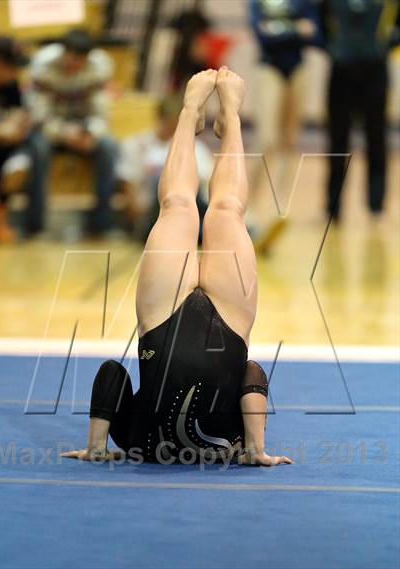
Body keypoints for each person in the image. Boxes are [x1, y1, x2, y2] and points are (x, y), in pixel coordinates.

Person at [61, 68, 294, 467]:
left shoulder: (148, 442)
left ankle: (198, 113)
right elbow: (112, 377)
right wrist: (255, 450)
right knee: (214, 210)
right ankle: (225, 115)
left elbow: (253, 376)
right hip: (198, 323)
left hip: (192, 322)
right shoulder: (142, 442)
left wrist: (254, 449)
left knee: (200, 209)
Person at [28, 29, 117, 235]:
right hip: (52, 131)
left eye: (80, 59)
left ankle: (100, 224)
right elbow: (39, 117)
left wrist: (92, 133)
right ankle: (36, 224)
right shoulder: (43, 70)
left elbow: (102, 115)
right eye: (71, 56)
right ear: (63, 53)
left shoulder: (98, 71)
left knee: (109, 147)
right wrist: (66, 134)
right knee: (37, 147)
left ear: (87, 58)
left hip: (83, 131)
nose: (74, 63)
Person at [249, 0, 320, 252]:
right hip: (270, 68)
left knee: (288, 142)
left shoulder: (302, 2)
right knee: (266, 139)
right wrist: (295, 30)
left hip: (297, 69)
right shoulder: (259, 2)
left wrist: (280, 29)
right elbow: (262, 34)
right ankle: (249, 210)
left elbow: (315, 33)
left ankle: (278, 211)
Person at [320, 0, 400, 222]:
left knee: (376, 138)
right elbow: (320, 23)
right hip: (342, 71)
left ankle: (376, 205)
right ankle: (333, 206)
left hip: (374, 70)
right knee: (338, 139)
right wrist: (334, 48)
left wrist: (383, 45)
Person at [116, 96, 213, 240]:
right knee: (163, 181)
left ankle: (203, 228)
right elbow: (129, 181)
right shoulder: (137, 145)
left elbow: (205, 184)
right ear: (160, 118)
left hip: (188, 209)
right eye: (170, 122)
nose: (173, 127)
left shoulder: (196, 148)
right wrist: (136, 214)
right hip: (152, 210)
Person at [0, 36, 45, 241]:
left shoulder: (11, 86)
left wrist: (17, 125)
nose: (17, 72)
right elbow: (2, 129)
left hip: (3, 153)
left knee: (20, 165)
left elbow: (18, 117)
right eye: (13, 66)